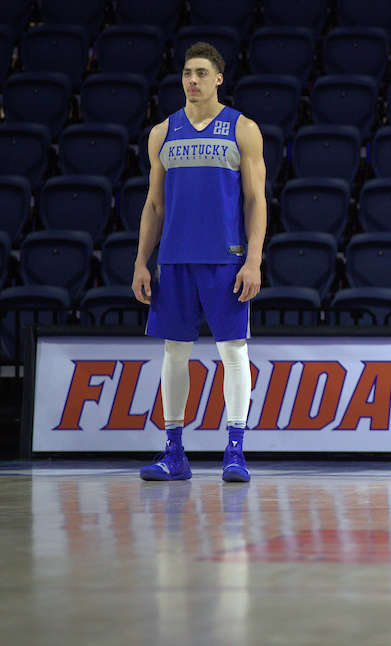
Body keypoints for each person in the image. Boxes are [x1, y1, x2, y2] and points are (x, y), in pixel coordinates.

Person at [132, 42, 267, 483]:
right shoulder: (162, 132)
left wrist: (254, 260)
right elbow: (153, 206)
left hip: (225, 260)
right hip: (174, 260)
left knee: (234, 353)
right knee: (174, 355)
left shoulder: (242, 129)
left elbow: (255, 200)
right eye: (188, 73)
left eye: (202, 73)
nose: (193, 80)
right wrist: (140, 262)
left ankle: (235, 451)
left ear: (218, 79)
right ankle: (174, 453)